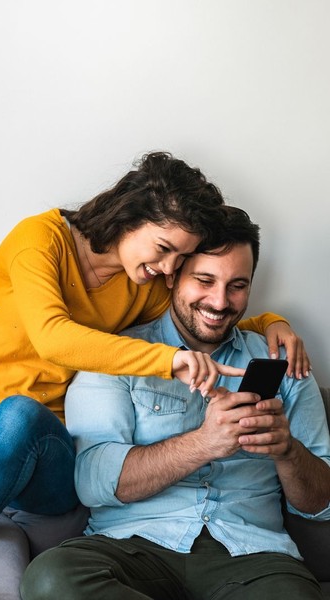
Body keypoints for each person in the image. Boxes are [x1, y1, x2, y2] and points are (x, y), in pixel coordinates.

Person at [0, 153, 309, 600]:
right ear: (130, 216)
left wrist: (270, 322)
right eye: (165, 249)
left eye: (179, 258)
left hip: (42, 449)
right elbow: (53, 337)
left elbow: (205, 313)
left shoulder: (141, 284)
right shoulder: (40, 239)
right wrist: (168, 361)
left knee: (18, 418)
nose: (168, 268)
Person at [20, 206, 330, 600]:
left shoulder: (283, 363)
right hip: (132, 548)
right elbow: (92, 482)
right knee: (50, 579)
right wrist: (204, 442)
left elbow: (322, 505)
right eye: (204, 280)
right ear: (173, 276)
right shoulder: (119, 356)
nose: (220, 302)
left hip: (253, 558)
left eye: (237, 285)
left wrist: (287, 451)